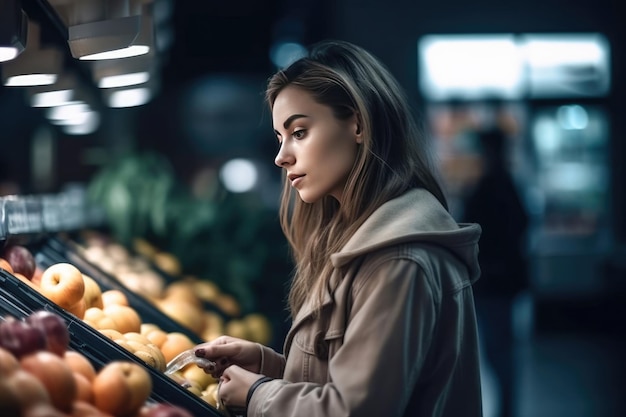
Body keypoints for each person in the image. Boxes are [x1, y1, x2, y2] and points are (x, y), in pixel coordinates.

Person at [194, 39, 483, 417]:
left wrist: (259, 394)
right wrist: (268, 368)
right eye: (280, 138)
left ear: (358, 124)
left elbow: (356, 410)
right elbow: (358, 384)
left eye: (299, 132)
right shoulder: (362, 237)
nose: (282, 157)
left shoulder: (397, 260)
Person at [461, 126, 529, 417]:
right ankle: (508, 408)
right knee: (501, 351)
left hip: (493, 283)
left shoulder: (492, 187)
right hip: (499, 283)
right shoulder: (507, 185)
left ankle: (508, 409)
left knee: (498, 351)